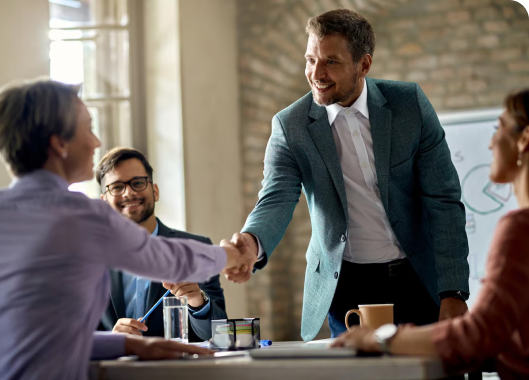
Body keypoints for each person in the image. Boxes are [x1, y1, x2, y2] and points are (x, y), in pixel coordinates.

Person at [226, 8, 469, 341]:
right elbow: (276, 196)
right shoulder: (290, 125)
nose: (316, 73)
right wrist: (251, 243)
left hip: (418, 277)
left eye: (331, 62)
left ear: (364, 65)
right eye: (310, 59)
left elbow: (443, 199)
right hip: (347, 288)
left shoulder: (409, 105)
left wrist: (453, 291)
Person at [0, 79, 250, 380]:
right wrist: (232, 255)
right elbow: (168, 259)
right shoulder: (81, 215)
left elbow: (36, 340)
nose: (95, 142)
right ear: (59, 143)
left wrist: (128, 344)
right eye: (88, 128)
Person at [331, 89, 529, 380]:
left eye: (498, 128)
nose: (490, 143)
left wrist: (378, 339)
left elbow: (479, 334)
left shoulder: (519, 230)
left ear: (523, 140)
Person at [95, 147, 227, 341]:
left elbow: (219, 334)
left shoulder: (197, 247)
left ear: (155, 191)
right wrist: (110, 340)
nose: (128, 193)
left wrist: (197, 301)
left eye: (138, 183)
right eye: (116, 187)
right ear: (104, 202)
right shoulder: (89, 259)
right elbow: (74, 336)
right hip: (113, 370)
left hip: (177, 370)